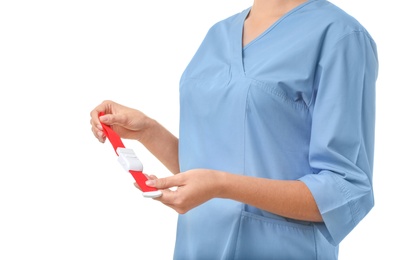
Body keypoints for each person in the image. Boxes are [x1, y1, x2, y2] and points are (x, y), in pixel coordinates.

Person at [90, 0, 378, 259]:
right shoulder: (217, 35)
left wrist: (221, 185)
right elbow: (210, 166)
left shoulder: (340, 36)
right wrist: (148, 131)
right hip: (196, 247)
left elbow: (344, 191)